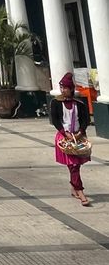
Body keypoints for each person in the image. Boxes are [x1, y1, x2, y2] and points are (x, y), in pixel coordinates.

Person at [51, 71, 91, 206]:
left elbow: (85, 119)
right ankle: (80, 190)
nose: (63, 90)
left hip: (78, 136)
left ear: (71, 89)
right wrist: (64, 132)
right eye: (62, 88)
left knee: (75, 164)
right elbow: (55, 120)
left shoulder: (79, 103)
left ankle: (74, 186)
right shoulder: (56, 103)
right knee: (73, 164)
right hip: (65, 137)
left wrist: (81, 131)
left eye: (66, 88)